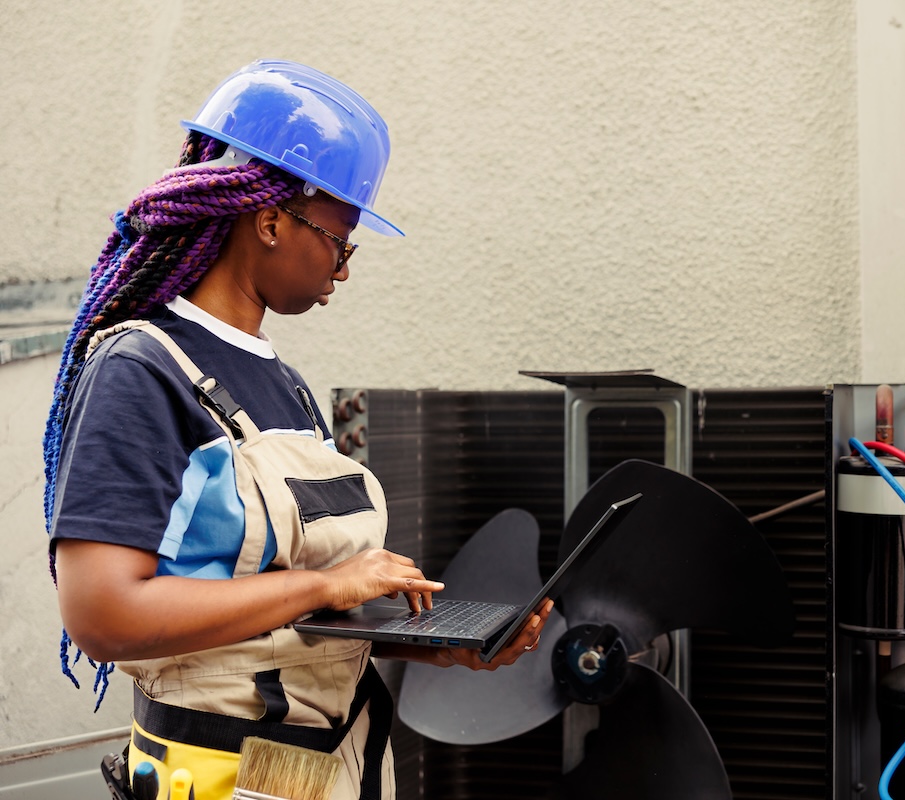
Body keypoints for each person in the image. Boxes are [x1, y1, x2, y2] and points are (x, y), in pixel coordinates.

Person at [42, 60, 551, 800]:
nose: (344, 266)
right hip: (217, 775)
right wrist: (331, 579)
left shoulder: (282, 384)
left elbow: (290, 607)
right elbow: (102, 613)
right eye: (340, 237)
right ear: (271, 220)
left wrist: (435, 646)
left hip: (325, 766)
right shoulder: (141, 370)